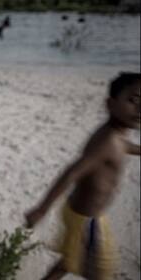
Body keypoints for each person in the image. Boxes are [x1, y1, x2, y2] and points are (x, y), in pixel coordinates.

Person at [25, 72, 140, 280]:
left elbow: (125, 146)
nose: (139, 108)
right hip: (88, 220)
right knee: (103, 271)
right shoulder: (108, 141)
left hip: (77, 212)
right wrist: (42, 209)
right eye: (133, 100)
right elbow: (72, 173)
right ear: (110, 104)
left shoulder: (116, 135)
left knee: (69, 261)